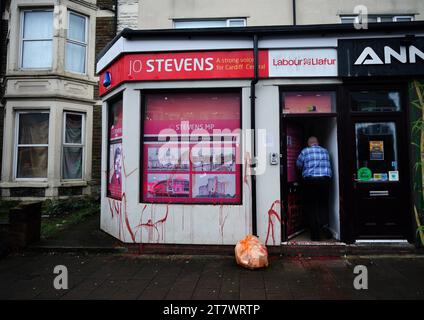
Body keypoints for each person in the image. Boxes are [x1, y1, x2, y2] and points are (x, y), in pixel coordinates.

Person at [296, 136, 332, 241]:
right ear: (317, 142)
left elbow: (298, 165)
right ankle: (324, 228)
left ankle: (315, 235)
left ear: (308, 143)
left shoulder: (305, 151)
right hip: (325, 180)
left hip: (310, 181)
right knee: (323, 204)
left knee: (311, 206)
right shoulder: (325, 151)